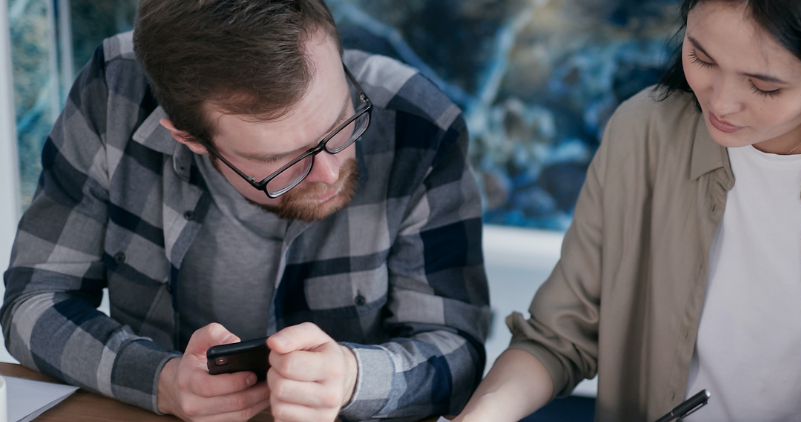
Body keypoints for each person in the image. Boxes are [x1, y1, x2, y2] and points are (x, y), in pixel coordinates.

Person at [454, 0, 801, 421]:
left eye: (764, 87)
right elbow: (558, 338)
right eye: (701, 57)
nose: (719, 103)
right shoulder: (644, 130)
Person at [1, 1, 490, 421]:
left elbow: (458, 353)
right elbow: (35, 301)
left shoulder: (419, 121)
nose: (329, 172)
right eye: (280, 161)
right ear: (187, 138)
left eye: (342, 123)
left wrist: (352, 379)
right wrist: (161, 380)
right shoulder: (115, 90)